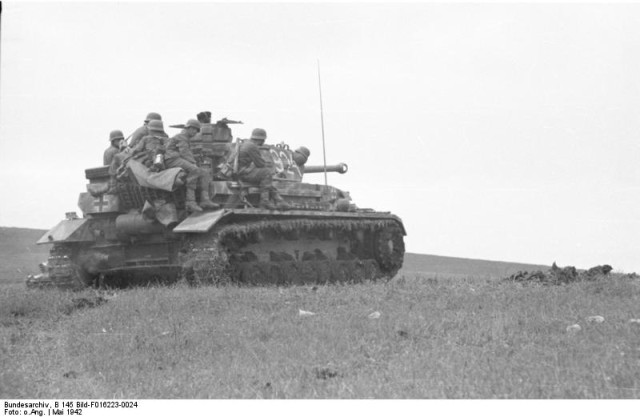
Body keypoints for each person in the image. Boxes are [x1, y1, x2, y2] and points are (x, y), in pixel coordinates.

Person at [165, 119, 219, 212]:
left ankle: (205, 200)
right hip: (172, 159)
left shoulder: (186, 138)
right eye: (194, 129)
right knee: (195, 170)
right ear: (188, 128)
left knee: (205, 173)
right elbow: (184, 152)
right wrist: (193, 163)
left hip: (178, 158)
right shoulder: (181, 137)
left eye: (197, 130)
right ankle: (190, 202)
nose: (195, 132)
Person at [237, 128, 291, 210]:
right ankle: (265, 201)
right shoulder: (252, 147)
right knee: (266, 173)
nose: (264, 142)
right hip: (244, 173)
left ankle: (279, 201)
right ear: (260, 139)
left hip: (243, 172)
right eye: (263, 140)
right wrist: (273, 170)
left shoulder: (247, 144)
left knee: (266, 181)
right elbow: (260, 164)